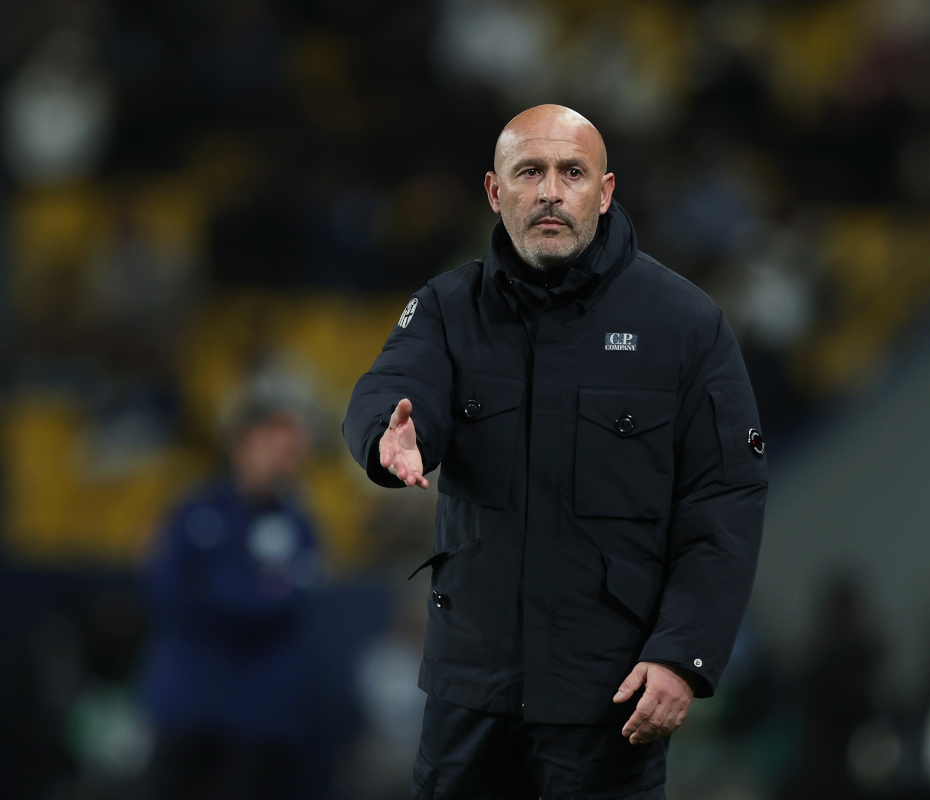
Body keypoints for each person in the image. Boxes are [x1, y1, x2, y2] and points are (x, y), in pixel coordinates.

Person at [344, 104, 769, 799]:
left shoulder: (685, 324)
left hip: (609, 699)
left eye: (572, 172)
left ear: (604, 192)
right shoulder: (448, 308)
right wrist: (387, 433)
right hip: (470, 695)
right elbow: (393, 384)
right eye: (529, 172)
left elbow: (725, 500)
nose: (549, 191)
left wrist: (682, 656)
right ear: (494, 191)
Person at [141, 403, 321, 800]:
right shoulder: (193, 511)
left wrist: (213, 587)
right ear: (241, 446)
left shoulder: (298, 524)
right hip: (189, 695)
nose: (282, 461)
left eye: (290, 452)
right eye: (272, 447)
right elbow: (168, 590)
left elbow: (289, 600)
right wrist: (254, 589)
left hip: (260, 709)